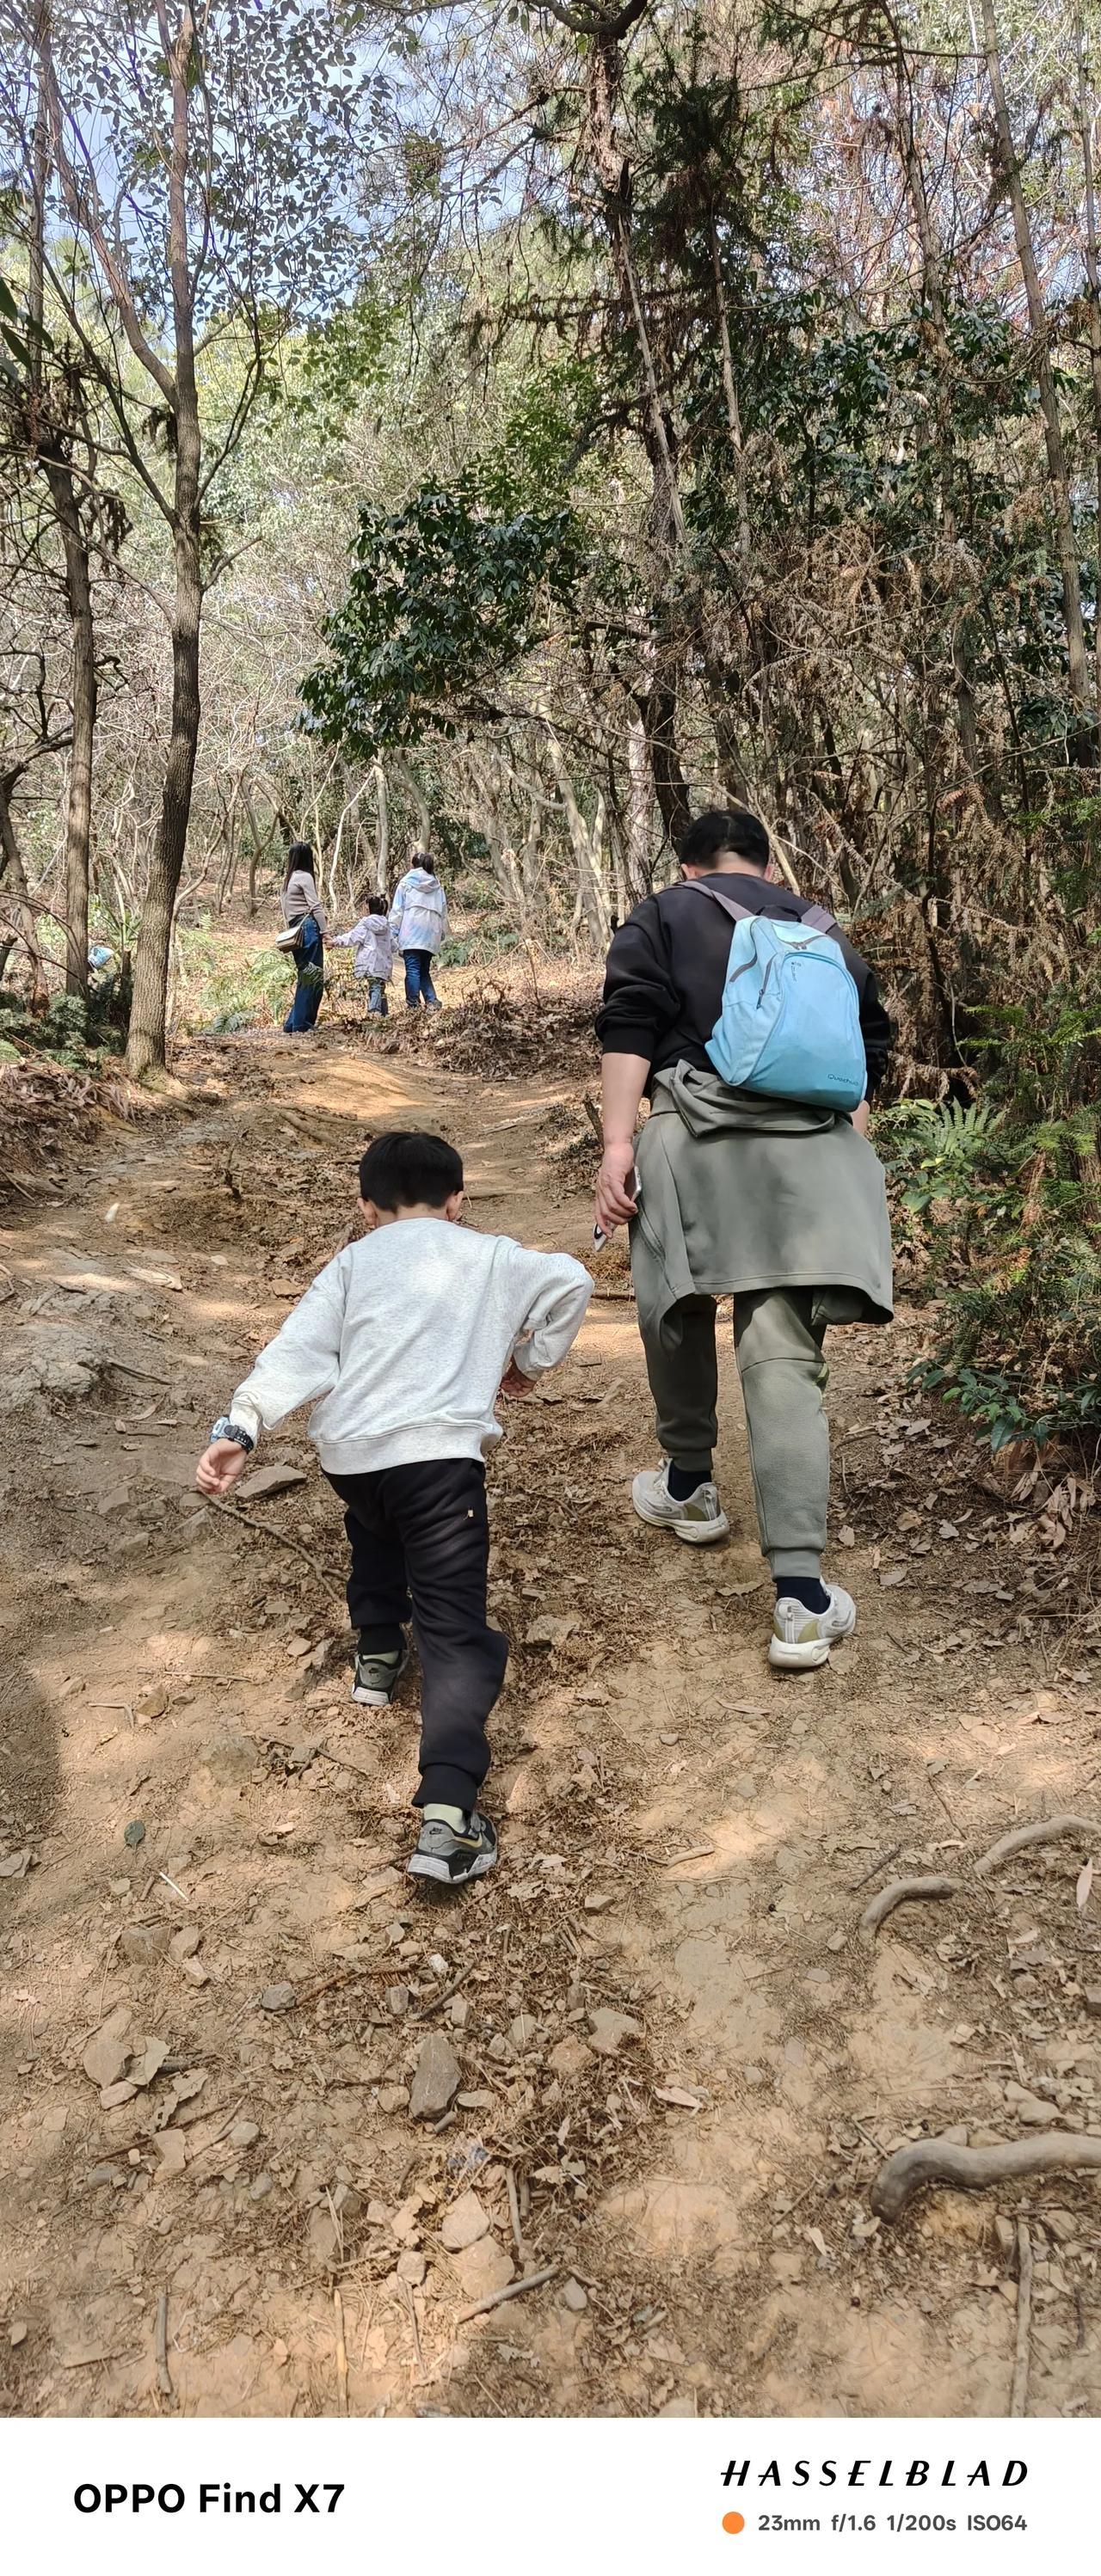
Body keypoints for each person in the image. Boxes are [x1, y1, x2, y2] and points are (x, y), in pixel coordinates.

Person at [194, 1131, 592, 1885]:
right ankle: (447, 1819)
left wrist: (240, 1428)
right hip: (439, 1465)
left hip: (353, 1459)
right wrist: (528, 1362)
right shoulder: (490, 1253)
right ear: (457, 1201)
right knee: (452, 1625)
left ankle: (376, 1656)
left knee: (374, 1535)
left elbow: (297, 1351)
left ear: (367, 1207)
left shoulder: (351, 1263)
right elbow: (571, 1279)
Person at [594, 805, 894, 1673]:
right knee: (782, 1355)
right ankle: (799, 1598)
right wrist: (849, 1160)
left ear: (688, 867)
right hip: (811, 1159)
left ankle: (687, 1485)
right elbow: (863, 1057)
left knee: (676, 1307)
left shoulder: (662, 913)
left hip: (690, 1139)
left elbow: (630, 1024)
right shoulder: (821, 929)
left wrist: (616, 1144)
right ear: (766, 866)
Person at [388, 850, 448, 1010]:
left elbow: (397, 910)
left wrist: (392, 931)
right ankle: (432, 1000)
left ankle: (413, 1005)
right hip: (431, 934)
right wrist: (441, 933)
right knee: (423, 969)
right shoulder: (437, 885)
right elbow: (443, 911)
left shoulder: (406, 883)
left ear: (413, 865)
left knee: (413, 969)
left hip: (411, 932)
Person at [280, 840, 327, 1033]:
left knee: (305, 975)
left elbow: (286, 910)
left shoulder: (288, 880)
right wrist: (325, 931)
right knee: (313, 976)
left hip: (295, 931)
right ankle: (303, 1024)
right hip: (308, 929)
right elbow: (315, 906)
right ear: (308, 858)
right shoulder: (305, 877)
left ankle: (293, 1023)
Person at [331, 894, 394, 1017]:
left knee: (374, 986)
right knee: (380, 987)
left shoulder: (365, 923)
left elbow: (352, 938)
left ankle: (374, 1012)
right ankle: (384, 1014)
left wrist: (335, 941)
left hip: (370, 962)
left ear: (368, 908)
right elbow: (393, 944)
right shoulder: (386, 925)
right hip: (384, 963)